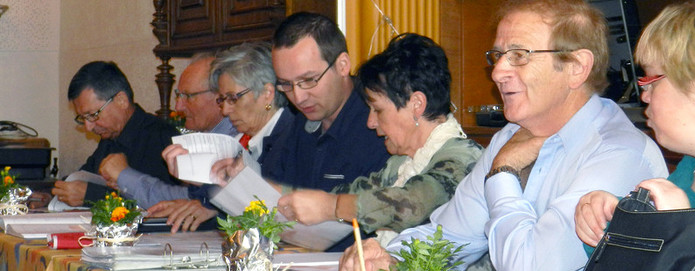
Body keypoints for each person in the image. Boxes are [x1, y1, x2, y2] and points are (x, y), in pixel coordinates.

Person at [339, 0, 668, 270]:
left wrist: (503, 174)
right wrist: (388, 257)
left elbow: (532, 265)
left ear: (576, 68)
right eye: (498, 56)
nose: (497, 72)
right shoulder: (511, 136)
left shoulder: (619, 154)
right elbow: (450, 236)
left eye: (519, 56)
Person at [575, 2, 695, 269]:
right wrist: (614, 217)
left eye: (652, 80)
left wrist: (684, 228)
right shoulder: (694, 166)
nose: (644, 95)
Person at [277, 33, 483, 246]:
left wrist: (332, 207)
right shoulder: (399, 164)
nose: (370, 122)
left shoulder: (464, 157)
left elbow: (412, 204)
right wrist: (286, 199)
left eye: (378, 110)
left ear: (417, 104)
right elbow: (355, 192)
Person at [149, 42, 295, 233]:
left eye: (233, 98)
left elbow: (279, 214)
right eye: (222, 100)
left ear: (267, 94)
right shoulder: (253, 141)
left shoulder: (294, 137)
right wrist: (199, 177)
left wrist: (213, 200)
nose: (225, 110)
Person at [264, 12, 390, 193]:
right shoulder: (297, 125)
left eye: (308, 80)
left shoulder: (378, 125)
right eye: (286, 84)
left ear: (343, 65)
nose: (299, 98)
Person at [98, 53, 238, 209]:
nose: (178, 107)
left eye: (188, 96)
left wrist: (125, 176)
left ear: (219, 96)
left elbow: (193, 200)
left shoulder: (238, 141)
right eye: (178, 96)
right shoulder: (206, 137)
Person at [52, 61, 179, 207]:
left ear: (121, 100)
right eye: (83, 118)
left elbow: (162, 202)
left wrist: (91, 196)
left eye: (92, 115)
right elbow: (82, 178)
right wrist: (51, 194)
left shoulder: (160, 137)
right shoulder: (110, 138)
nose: (88, 127)